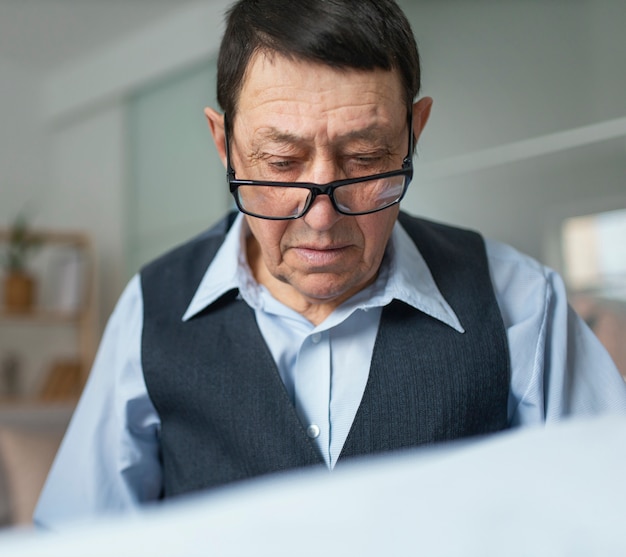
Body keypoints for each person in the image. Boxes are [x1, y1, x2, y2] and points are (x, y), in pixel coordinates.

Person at [34, 0, 626, 528]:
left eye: (365, 158)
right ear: (224, 143)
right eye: (280, 161)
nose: (320, 218)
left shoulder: (522, 304)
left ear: (413, 133)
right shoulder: (150, 306)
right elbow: (77, 535)